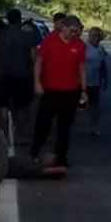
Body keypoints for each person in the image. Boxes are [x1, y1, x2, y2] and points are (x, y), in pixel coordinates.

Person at [31, 15, 87, 170]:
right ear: (63, 28)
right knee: (43, 123)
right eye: (72, 30)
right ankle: (35, 151)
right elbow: (39, 62)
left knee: (65, 127)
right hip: (50, 90)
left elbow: (81, 67)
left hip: (71, 92)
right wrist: (37, 82)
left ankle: (61, 156)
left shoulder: (80, 45)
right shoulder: (49, 40)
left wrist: (83, 89)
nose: (74, 34)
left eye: (77, 31)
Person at [0, 8, 37, 143]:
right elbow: (33, 56)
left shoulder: (0, 35)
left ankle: (5, 135)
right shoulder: (27, 36)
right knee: (22, 106)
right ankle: (21, 134)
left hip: (3, 74)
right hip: (23, 75)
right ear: (19, 20)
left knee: (2, 106)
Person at [84, 27, 110, 136]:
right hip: (83, 82)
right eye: (94, 36)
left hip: (95, 82)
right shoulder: (84, 48)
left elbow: (103, 64)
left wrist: (105, 79)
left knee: (95, 106)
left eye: (98, 36)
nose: (96, 38)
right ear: (89, 36)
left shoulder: (100, 49)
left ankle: (94, 127)